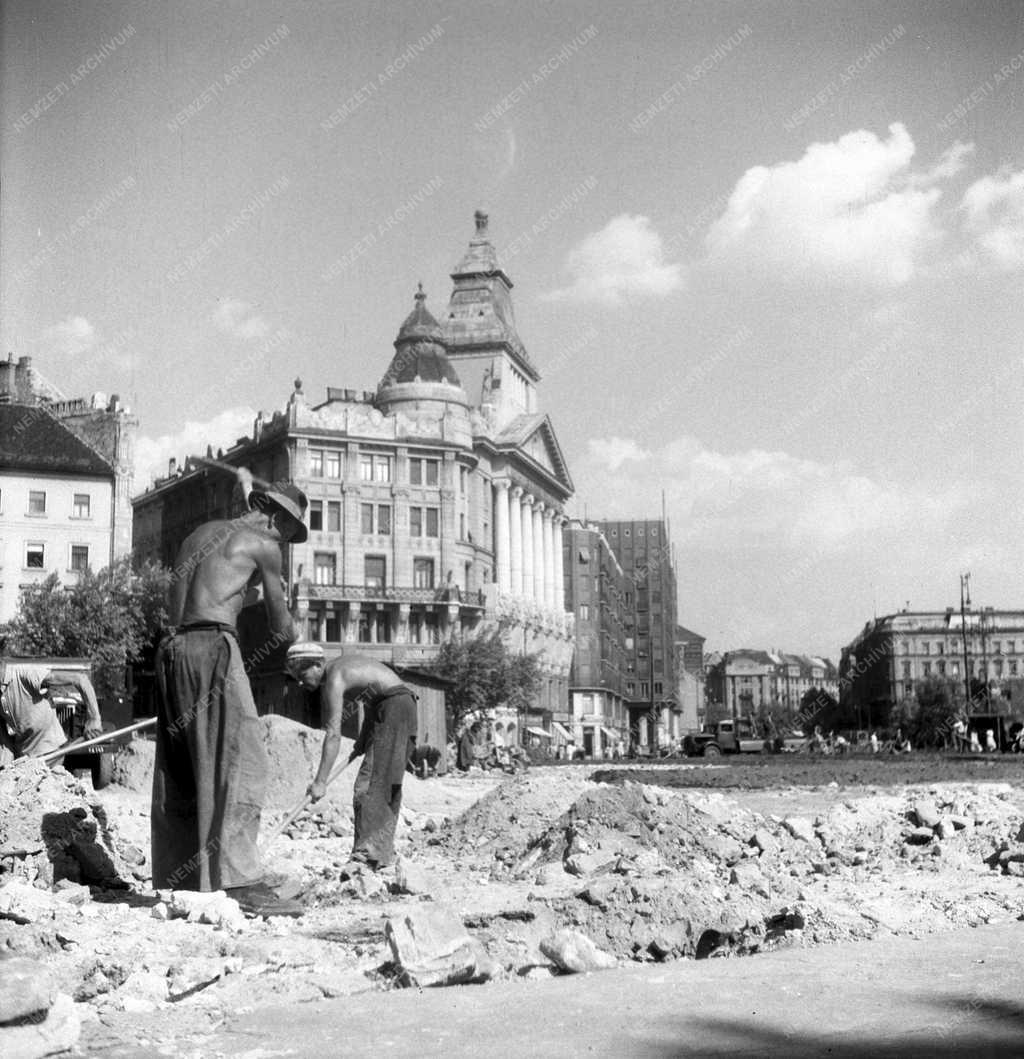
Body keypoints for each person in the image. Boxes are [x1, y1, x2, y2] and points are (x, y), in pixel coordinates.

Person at [151, 469, 307, 917]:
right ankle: (238, 882)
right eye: (290, 534)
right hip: (214, 648)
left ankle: (178, 877)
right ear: (279, 522)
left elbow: (200, 592)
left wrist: (242, 597)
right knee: (243, 761)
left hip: (171, 649)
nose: (286, 542)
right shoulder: (266, 545)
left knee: (183, 764)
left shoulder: (200, 533)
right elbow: (282, 628)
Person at [289, 646, 418, 875]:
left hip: (395, 709)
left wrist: (320, 781)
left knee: (369, 786)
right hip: (395, 706)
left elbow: (333, 734)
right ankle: (381, 854)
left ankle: (367, 857)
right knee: (386, 784)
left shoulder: (334, 679)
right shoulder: (344, 667)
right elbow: (374, 696)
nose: (299, 682)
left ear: (318, 665)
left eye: (302, 675)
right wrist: (363, 737)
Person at [0, 661, 102, 763]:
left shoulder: (26, 673)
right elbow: (5, 738)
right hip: (24, 759)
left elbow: (80, 679)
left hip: (50, 753)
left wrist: (94, 718)